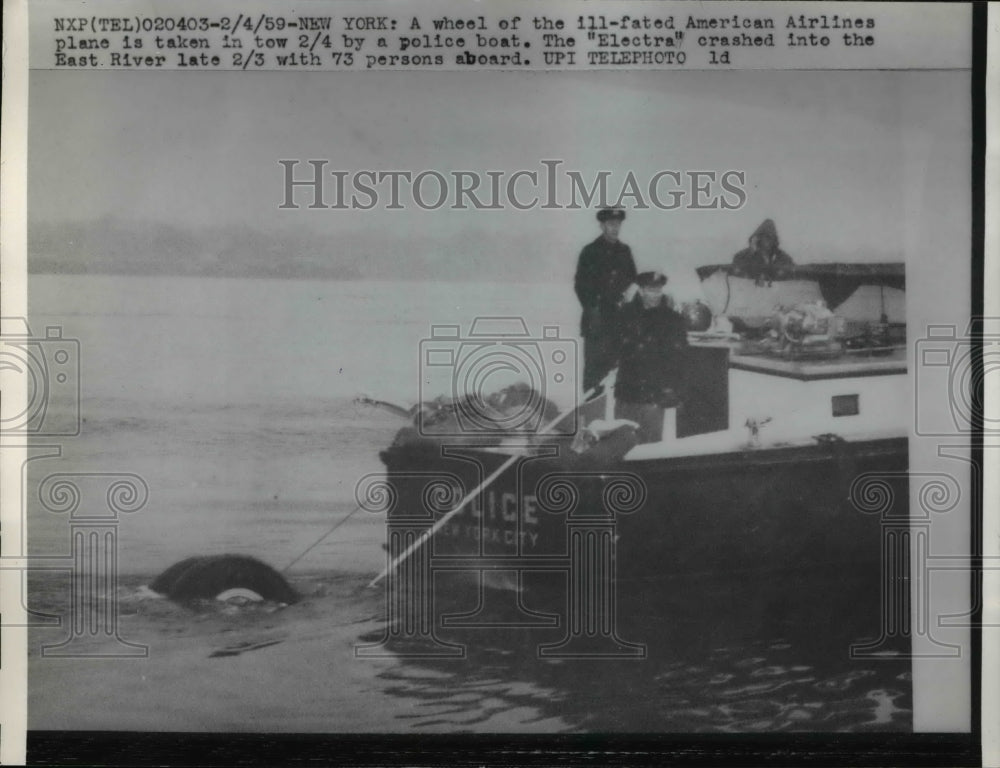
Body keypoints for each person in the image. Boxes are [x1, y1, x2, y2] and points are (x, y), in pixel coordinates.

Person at [613, 271, 689, 444]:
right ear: (640, 290)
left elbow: (680, 359)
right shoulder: (624, 315)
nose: (655, 295)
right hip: (626, 393)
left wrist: (675, 392)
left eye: (658, 290)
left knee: (650, 448)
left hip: (653, 396)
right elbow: (612, 348)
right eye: (650, 290)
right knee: (619, 443)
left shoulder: (673, 320)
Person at [574, 208, 637, 393]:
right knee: (594, 375)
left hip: (619, 322)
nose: (615, 228)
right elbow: (580, 286)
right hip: (597, 323)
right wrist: (593, 309)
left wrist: (628, 303)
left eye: (617, 224)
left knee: (618, 372)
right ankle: (590, 417)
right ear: (602, 226)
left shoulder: (625, 251)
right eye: (611, 224)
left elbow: (632, 281)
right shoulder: (590, 251)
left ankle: (615, 418)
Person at [731, 218, 795, 284]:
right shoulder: (743, 256)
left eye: (770, 237)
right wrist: (751, 252)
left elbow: (792, 270)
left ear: (774, 240)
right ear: (758, 238)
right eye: (764, 237)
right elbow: (737, 265)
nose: (768, 241)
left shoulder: (781, 257)